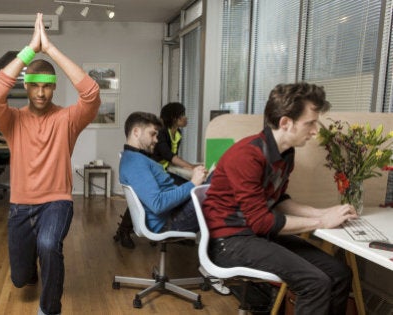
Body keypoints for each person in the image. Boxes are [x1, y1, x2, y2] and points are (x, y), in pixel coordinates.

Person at [203, 83, 356, 314]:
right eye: (310, 123)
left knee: (339, 273)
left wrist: (321, 213)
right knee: (315, 282)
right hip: (231, 241)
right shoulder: (247, 155)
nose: (316, 131)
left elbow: (279, 200)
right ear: (286, 122)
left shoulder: (286, 154)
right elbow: (262, 221)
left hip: (256, 235)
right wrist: (322, 223)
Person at [0, 13, 101, 315]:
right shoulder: (12, 120)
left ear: (53, 87)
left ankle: (49, 309)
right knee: (21, 279)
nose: (39, 92)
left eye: (46, 86)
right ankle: (33, 267)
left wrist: (49, 49)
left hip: (56, 202)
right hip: (20, 206)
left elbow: (91, 94)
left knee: (49, 244)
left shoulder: (68, 119)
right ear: (27, 85)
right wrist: (29, 50)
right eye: (34, 85)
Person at [114, 102, 201, 248]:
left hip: (171, 213)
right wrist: (193, 184)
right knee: (217, 194)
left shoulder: (133, 158)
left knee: (215, 188)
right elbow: (158, 204)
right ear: (136, 132)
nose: (156, 139)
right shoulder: (136, 163)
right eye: (153, 134)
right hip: (168, 220)